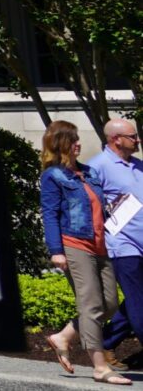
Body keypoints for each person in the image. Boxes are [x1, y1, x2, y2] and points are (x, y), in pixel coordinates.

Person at [44, 120, 132, 380]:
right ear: (61, 143)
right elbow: (50, 214)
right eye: (73, 139)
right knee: (91, 305)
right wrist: (55, 250)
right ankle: (100, 367)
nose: (78, 143)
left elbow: (98, 207)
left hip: (100, 244)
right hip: (75, 244)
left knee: (111, 303)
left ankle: (63, 336)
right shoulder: (53, 176)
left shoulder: (89, 172)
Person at [88, 116, 143, 360]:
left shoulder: (138, 165)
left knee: (137, 298)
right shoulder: (97, 166)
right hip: (123, 245)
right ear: (115, 139)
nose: (138, 139)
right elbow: (89, 207)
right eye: (133, 136)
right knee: (137, 300)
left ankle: (106, 341)